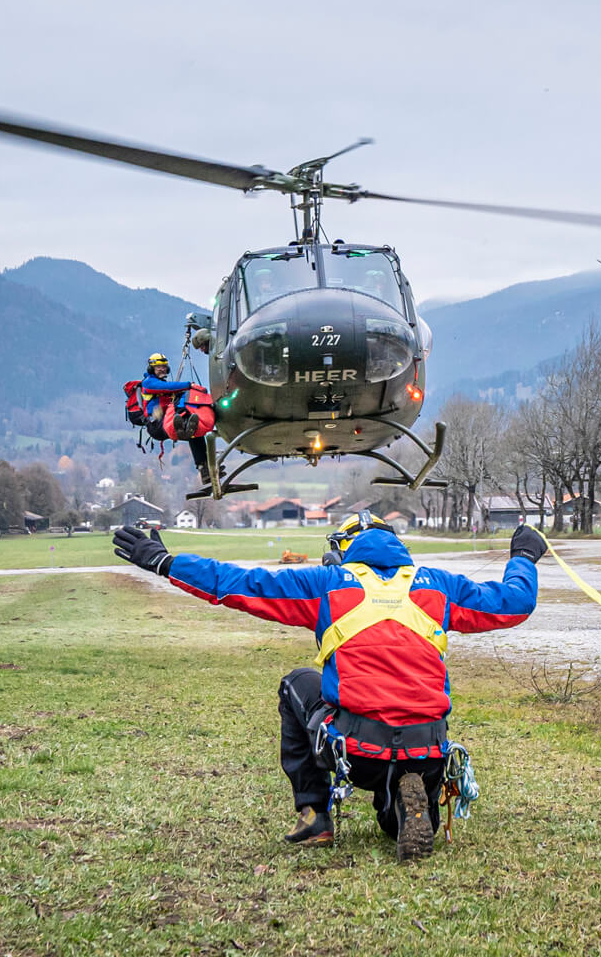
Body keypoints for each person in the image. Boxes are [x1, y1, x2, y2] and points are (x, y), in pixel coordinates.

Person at [113, 512, 545, 860]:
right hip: (428, 748)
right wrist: (523, 556)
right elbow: (515, 602)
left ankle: (314, 815)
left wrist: (165, 562)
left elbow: (238, 583)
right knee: (394, 821)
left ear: (342, 552)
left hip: (359, 752)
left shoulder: (327, 585)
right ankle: (410, 802)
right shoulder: (439, 586)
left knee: (297, 684)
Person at [138, 353, 211, 483]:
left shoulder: (162, 385)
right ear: (151, 369)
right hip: (156, 425)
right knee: (180, 405)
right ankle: (180, 424)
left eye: (164, 367)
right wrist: (189, 384)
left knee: (195, 432)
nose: (162, 369)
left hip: (166, 423)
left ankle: (204, 469)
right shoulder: (148, 383)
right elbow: (166, 387)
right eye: (158, 367)